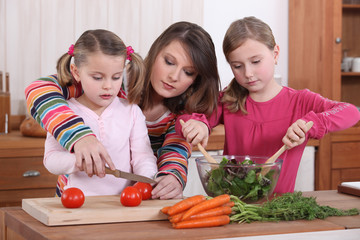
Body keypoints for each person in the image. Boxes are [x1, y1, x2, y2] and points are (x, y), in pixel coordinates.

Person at [25, 22, 220, 199]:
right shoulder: (111, 82)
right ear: (155, 53)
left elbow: (173, 152)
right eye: (169, 61)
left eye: (188, 72)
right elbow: (38, 90)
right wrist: (80, 136)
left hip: (131, 199)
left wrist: (172, 177)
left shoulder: (182, 116)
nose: (174, 76)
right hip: (74, 198)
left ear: (197, 79)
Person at [177, 16, 360, 193]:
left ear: (275, 54)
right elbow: (182, 120)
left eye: (256, 61)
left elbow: (351, 112)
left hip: (279, 210)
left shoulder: (300, 101)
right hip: (233, 207)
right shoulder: (228, 100)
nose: (248, 73)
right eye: (237, 66)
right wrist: (198, 124)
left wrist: (313, 125)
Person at [42, 29, 158, 196]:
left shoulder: (131, 111)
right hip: (78, 204)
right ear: (76, 72)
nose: (108, 86)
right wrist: (79, 160)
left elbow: (142, 156)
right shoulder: (63, 112)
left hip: (124, 205)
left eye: (116, 77)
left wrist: (145, 180)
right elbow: (51, 159)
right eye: (97, 77)